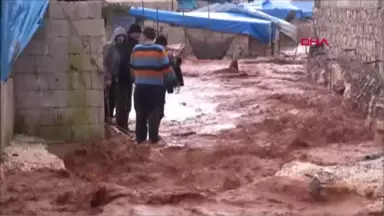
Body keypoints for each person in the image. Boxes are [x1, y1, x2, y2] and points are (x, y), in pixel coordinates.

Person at [130, 27, 177, 144]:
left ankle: (140, 141)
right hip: (156, 89)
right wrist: (173, 83)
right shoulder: (159, 50)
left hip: (140, 89)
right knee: (154, 115)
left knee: (140, 115)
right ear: (154, 37)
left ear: (144, 36)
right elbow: (167, 70)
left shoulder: (136, 49)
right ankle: (153, 140)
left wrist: (137, 80)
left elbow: (131, 68)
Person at [115, 24, 142, 130]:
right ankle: (122, 125)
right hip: (126, 77)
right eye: (138, 33)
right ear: (133, 33)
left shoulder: (125, 44)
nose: (139, 35)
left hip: (122, 77)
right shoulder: (133, 44)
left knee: (123, 102)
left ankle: (121, 124)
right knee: (124, 103)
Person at [154, 35, 185, 122]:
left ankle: (153, 130)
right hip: (159, 84)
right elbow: (172, 66)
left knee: (155, 107)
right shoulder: (164, 54)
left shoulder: (165, 53)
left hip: (153, 84)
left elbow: (174, 65)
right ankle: (154, 131)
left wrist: (177, 58)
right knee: (158, 108)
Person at [103, 26, 127, 121]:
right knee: (107, 99)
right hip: (107, 78)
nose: (121, 38)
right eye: (119, 36)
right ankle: (106, 118)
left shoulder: (121, 49)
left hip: (115, 78)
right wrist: (107, 76)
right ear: (115, 36)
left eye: (122, 36)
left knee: (113, 99)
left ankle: (110, 118)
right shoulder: (109, 47)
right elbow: (103, 62)